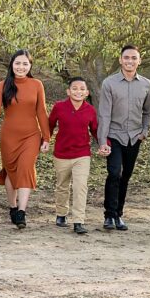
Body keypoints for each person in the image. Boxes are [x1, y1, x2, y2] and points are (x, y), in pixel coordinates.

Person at [0, 50, 51, 229]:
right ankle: (12, 206)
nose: (21, 67)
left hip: (31, 136)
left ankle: (21, 211)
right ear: (12, 65)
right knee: (11, 171)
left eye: (25, 64)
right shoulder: (3, 85)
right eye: (18, 63)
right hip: (9, 136)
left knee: (26, 168)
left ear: (30, 66)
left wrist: (46, 137)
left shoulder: (37, 84)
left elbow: (42, 112)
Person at [96, 45, 150, 231]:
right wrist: (102, 140)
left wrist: (144, 131)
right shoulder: (109, 83)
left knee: (125, 176)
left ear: (139, 61)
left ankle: (119, 214)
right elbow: (104, 114)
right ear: (120, 60)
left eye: (133, 58)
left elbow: (148, 111)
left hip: (134, 137)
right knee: (115, 173)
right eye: (126, 57)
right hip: (114, 135)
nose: (130, 61)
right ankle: (109, 215)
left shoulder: (146, 84)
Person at [47, 76, 98, 235]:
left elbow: (96, 130)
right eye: (75, 88)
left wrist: (104, 144)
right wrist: (45, 140)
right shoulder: (59, 107)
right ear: (68, 91)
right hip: (61, 153)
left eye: (82, 89)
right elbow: (49, 125)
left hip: (82, 154)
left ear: (87, 92)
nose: (78, 91)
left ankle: (78, 220)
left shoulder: (90, 110)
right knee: (62, 185)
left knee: (80, 186)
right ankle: (61, 214)